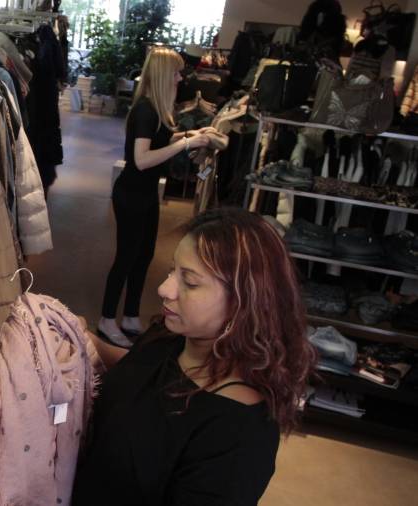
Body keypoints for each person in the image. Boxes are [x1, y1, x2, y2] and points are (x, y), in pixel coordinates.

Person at [74, 208, 316, 505]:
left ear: (243, 301)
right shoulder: (172, 336)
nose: (164, 289)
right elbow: (138, 371)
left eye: (189, 281)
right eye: (172, 270)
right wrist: (86, 339)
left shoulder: (236, 436)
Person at [98, 46, 215, 347]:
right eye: (176, 72)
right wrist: (184, 146)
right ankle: (107, 320)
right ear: (165, 74)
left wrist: (188, 137)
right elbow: (141, 159)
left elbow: (160, 141)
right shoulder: (145, 111)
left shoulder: (157, 109)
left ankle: (131, 316)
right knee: (126, 258)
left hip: (146, 194)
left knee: (143, 256)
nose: (180, 77)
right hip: (131, 195)